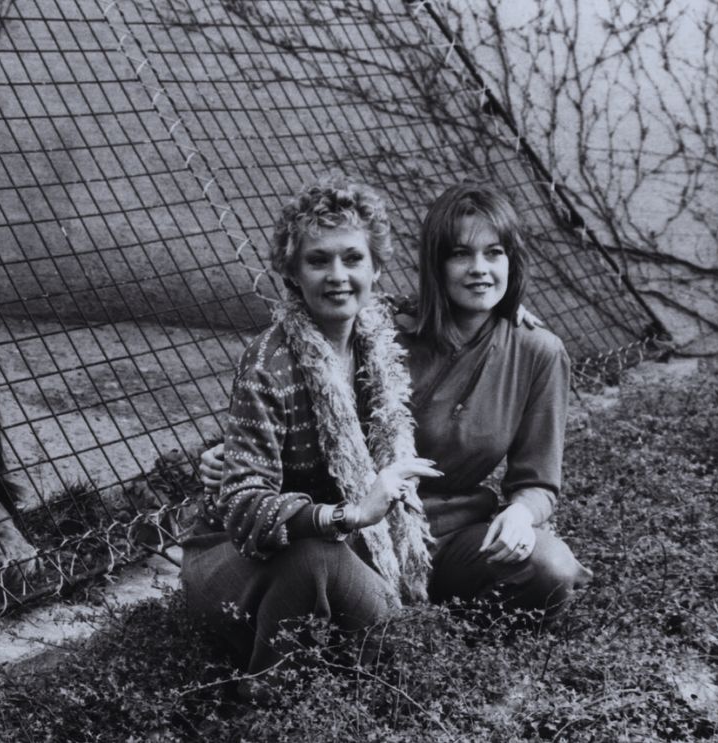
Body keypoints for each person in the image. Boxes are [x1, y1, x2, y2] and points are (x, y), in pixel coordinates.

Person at [198, 183, 591, 655]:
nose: (479, 269)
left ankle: (455, 644)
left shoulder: (538, 352)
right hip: (357, 529)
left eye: (495, 253)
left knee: (549, 568)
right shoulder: (383, 331)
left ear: (513, 260)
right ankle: (376, 640)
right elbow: (301, 402)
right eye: (460, 254)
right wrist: (233, 455)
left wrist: (522, 515)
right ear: (434, 264)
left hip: (447, 531)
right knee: (370, 621)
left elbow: (538, 480)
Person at [181, 180, 440, 678]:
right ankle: (264, 698)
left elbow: (449, 303)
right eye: (318, 261)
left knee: (396, 646)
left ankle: (334, 672)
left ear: (376, 267)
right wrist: (352, 513)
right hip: (241, 558)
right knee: (318, 560)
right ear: (292, 273)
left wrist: (508, 308)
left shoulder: (376, 336)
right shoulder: (268, 363)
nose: (338, 276)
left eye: (353, 258)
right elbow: (244, 506)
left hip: (336, 547)